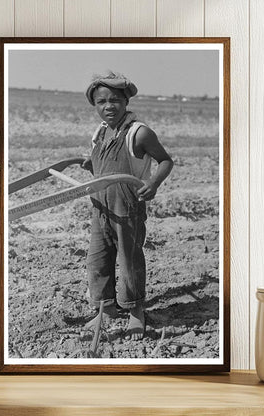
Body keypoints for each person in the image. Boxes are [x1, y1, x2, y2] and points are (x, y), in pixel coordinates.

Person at [82, 71, 173, 341]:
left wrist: (154, 183)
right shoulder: (100, 132)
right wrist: (91, 165)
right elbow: (102, 164)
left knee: (129, 260)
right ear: (95, 105)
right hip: (100, 207)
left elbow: (165, 161)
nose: (108, 106)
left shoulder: (139, 132)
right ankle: (106, 308)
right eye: (101, 102)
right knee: (98, 260)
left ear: (126, 102)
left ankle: (135, 311)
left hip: (127, 208)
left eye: (115, 100)